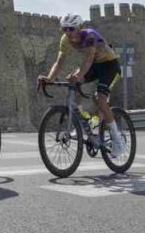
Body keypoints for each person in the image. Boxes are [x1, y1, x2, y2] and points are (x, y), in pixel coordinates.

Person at [38, 13, 124, 156]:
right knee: (74, 84)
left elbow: (88, 58)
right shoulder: (65, 40)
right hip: (94, 66)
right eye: (64, 29)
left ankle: (117, 139)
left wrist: (78, 75)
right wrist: (49, 78)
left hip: (109, 66)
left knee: (100, 99)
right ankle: (83, 123)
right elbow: (59, 62)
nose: (68, 32)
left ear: (79, 27)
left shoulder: (89, 35)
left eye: (71, 29)